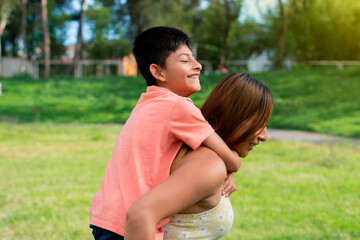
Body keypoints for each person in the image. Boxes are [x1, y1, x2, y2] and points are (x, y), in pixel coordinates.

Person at [90, 26, 241, 240]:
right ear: (158, 72)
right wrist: (229, 168)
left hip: (106, 218)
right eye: (185, 60)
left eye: (194, 59)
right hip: (134, 223)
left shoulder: (146, 103)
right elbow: (231, 160)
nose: (197, 65)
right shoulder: (178, 107)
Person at [124, 72, 274, 239]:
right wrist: (217, 169)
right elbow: (140, 214)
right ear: (236, 116)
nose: (264, 136)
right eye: (260, 123)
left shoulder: (205, 158)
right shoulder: (208, 165)